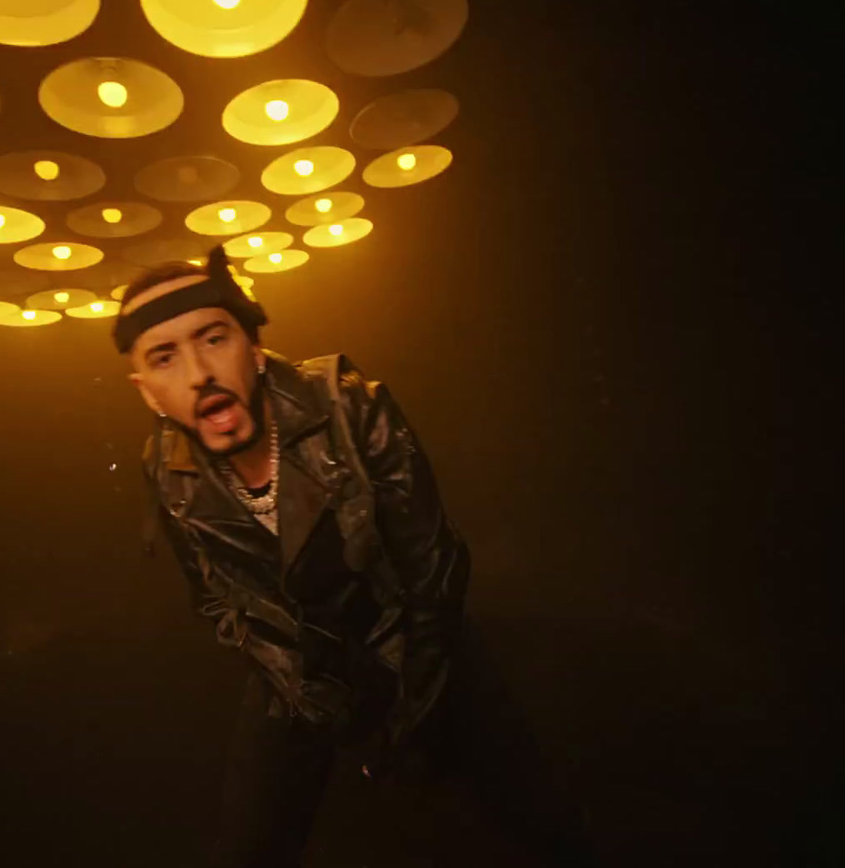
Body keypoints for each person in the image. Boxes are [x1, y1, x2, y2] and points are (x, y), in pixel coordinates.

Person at [115, 246, 600, 866]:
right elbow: (214, 598)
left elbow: (434, 571)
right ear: (147, 392)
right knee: (248, 846)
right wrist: (306, 690)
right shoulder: (165, 467)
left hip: (413, 635)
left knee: (540, 818)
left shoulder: (345, 404)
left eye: (213, 339)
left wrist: (409, 714)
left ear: (254, 348)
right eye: (165, 357)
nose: (197, 373)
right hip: (300, 667)